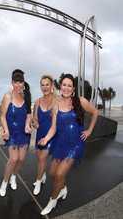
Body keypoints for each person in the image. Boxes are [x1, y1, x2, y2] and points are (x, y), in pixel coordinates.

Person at [39, 73, 98, 215]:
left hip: (75, 145)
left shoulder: (80, 101)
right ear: (61, 86)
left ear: (73, 89)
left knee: (59, 174)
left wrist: (89, 130)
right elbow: (53, 127)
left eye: (69, 85)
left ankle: (52, 201)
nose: (66, 88)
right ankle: (63, 188)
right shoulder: (56, 104)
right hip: (60, 144)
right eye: (64, 85)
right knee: (53, 173)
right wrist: (46, 139)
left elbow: (95, 112)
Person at [0, 69, 32, 197]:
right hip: (11, 132)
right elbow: (2, 116)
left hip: (24, 132)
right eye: (16, 82)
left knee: (21, 159)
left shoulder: (26, 96)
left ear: (24, 83)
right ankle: (4, 182)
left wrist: (27, 125)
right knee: (13, 159)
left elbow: (28, 114)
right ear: (12, 82)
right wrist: (6, 130)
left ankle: (14, 176)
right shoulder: (8, 96)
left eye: (21, 82)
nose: (18, 85)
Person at [32, 75, 56, 195]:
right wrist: (34, 123)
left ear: (51, 86)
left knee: (42, 159)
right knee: (38, 156)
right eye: (42, 84)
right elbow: (35, 119)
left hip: (51, 135)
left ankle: (38, 181)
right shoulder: (37, 101)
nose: (45, 87)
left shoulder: (57, 101)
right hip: (39, 134)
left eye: (47, 84)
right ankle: (43, 174)